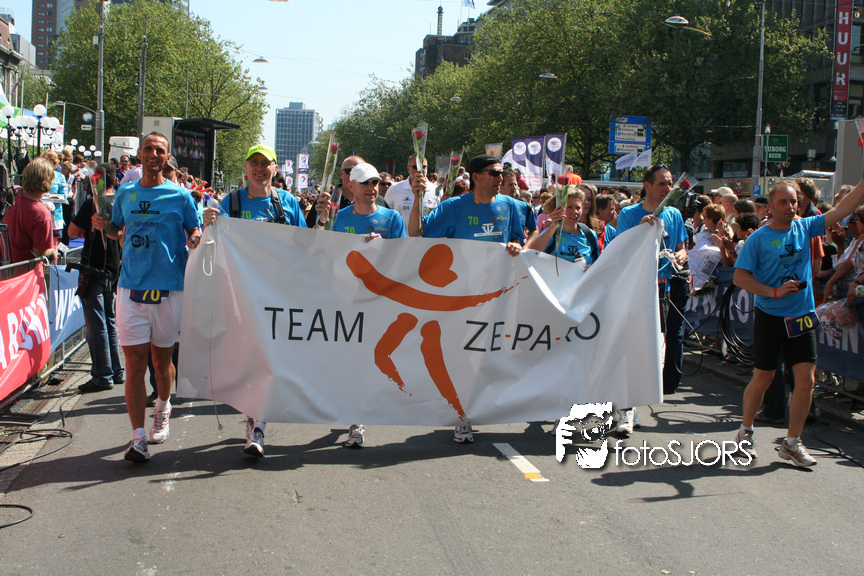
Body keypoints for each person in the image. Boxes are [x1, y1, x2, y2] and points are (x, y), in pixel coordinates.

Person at [732, 179, 864, 467]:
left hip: (802, 316)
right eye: (783, 202)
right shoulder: (758, 239)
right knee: (764, 378)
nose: (790, 207)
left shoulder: (805, 227)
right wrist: (774, 292)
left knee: (806, 381)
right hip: (770, 316)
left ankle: (792, 443)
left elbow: (843, 209)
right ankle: (745, 432)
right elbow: (740, 277)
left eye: (794, 201)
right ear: (770, 206)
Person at [94, 132, 201, 463]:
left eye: (160, 150)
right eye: (149, 149)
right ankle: (137, 437)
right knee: (135, 363)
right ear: (139, 154)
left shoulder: (180, 195)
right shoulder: (125, 193)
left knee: (161, 361)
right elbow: (116, 229)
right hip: (131, 288)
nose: (154, 154)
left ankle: (163, 406)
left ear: (167, 157)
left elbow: (193, 229)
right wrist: (103, 225)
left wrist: (196, 238)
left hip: (168, 289)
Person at [408, 154, 523, 444]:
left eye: (501, 173)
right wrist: (417, 197)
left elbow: (521, 239)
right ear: (476, 177)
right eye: (494, 173)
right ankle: (461, 416)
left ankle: (478, 407)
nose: (500, 178)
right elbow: (418, 233)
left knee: (489, 356)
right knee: (464, 357)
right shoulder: (453, 207)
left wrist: (516, 245)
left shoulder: (510, 206)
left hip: (498, 296)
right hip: (462, 297)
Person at [203, 144, 307, 457]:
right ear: (246, 170)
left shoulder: (287, 202)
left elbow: (305, 246)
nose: (260, 169)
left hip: (278, 294)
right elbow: (212, 245)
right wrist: (208, 224)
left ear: (275, 169)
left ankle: (256, 424)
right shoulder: (231, 202)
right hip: (242, 294)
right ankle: (255, 421)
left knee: (269, 360)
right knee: (251, 360)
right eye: (255, 163)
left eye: (266, 163)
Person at [313, 162, 405, 448]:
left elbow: (405, 258)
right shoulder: (338, 218)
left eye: (375, 183)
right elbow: (323, 255)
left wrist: (383, 246)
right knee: (351, 360)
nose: (371, 188)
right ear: (351, 186)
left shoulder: (391, 218)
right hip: (347, 300)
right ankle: (355, 417)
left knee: (369, 360)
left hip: (380, 301)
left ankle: (359, 416)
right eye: (365, 183)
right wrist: (324, 223)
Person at [612, 164, 689, 433]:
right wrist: (640, 231)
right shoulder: (629, 214)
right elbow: (621, 250)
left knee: (654, 352)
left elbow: (681, 248)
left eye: (670, 183)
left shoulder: (674, 214)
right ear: (647, 185)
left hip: (662, 290)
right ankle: (625, 409)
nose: (667, 189)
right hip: (634, 290)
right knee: (630, 348)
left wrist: (680, 256)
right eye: (661, 184)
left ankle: (632, 404)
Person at [68, 163, 124, 393]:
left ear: (96, 181)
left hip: (94, 268)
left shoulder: (93, 203)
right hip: (114, 267)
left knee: (97, 324)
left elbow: (72, 232)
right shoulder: (121, 201)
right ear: (115, 180)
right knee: (109, 320)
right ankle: (115, 371)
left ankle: (102, 375)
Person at [5, 158, 57, 264]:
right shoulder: (41, 214)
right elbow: (41, 253)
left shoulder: (13, 193)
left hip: (6, 265)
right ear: (49, 180)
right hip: (26, 269)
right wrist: (54, 250)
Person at [530, 187, 598, 264]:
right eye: (569, 207)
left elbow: (597, 264)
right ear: (559, 209)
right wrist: (553, 226)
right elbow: (535, 250)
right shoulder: (551, 234)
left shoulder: (590, 235)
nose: (575, 212)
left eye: (578, 208)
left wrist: (590, 267)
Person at [384, 154, 439, 226]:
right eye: (415, 167)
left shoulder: (436, 190)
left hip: (426, 233)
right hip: (403, 233)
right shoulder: (394, 189)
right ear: (408, 169)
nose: (419, 170)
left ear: (427, 168)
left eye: (423, 167)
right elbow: (384, 215)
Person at [501, 168, 538, 247]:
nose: (514, 187)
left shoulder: (524, 206)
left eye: (515, 184)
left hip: (518, 250)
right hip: (499, 250)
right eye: (510, 185)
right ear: (501, 186)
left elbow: (535, 230)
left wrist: (526, 246)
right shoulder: (493, 205)